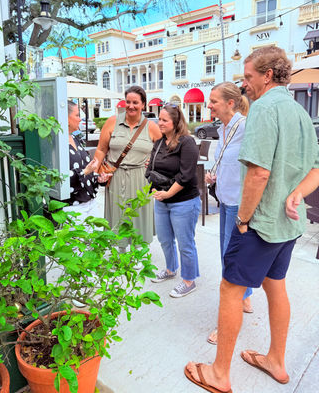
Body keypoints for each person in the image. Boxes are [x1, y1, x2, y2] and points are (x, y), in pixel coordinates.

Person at [185, 46, 319, 393]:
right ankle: (276, 360)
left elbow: (259, 173)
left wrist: (243, 220)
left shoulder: (262, 110)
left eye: (248, 77)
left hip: (261, 224)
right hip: (288, 225)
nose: (245, 85)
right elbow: (315, 169)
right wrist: (296, 193)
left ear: (267, 75)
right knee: (276, 287)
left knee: (231, 288)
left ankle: (219, 373)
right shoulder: (301, 113)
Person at [205, 82, 252, 346]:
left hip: (238, 204)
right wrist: (215, 175)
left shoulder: (245, 127)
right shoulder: (223, 129)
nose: (209, 105)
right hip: (225, 199)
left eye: (213, 101)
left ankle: (226, 323)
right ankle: (245, 296)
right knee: (227, 256)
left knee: (230, 261)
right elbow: (230, 163)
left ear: (230, 103)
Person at [93, 86, 162, 248]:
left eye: (135, 102)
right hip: (116, 176)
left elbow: (163, 151)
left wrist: (152, 161)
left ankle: (138, 254)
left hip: (141, 178)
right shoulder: (112, 122)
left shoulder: (151, 127)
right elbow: (101, 149)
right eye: (128, 102)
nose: (131, 106)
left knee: (139, 214)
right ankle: (120, 252)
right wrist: (96, 172)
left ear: (143, 105)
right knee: (118, 213)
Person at [146, 104, 201, 298]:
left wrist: (168, 193)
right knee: (165, 239)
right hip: (162, 200)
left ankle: (189, 280)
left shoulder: (187, 143)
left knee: (185, 243)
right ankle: (170, 270)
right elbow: (152, 165)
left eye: (164, 120)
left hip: (183, 201)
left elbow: (186, 176)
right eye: (159, 119)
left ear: (176, 122)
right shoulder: (160, 142)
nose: (159, 123)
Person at [64, 101, 110, 222]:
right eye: (77, 115)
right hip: (72, 207)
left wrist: (99, 179)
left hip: (90, 201)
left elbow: (85, 170)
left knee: (98, 239)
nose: (80, 119)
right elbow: (59, 180)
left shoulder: (75, 138)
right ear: (66, 118)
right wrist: (85, 171)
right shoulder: (57, 144)